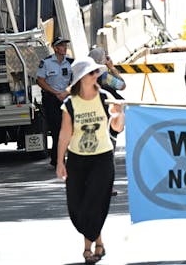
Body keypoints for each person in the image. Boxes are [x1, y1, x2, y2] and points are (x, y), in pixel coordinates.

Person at [56, 56, 125, 264]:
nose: (97, 75)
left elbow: (116, 127)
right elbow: (65, 134)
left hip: (102, 158)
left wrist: (120, 114)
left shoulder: (105, 97)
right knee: (78, 206)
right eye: (93, 73)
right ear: (81, 78)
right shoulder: (70, 104)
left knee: (94, 203)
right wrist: (60, 161)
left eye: (97, 72)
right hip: (77, 159)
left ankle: (90, 247)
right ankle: (99, 241)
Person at [37, 36, 74, 167]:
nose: (65, 48)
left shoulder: (70, 62)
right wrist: (56, 93)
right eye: (62, 45)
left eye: (65, 45)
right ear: (55, 48)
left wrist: (66, 93)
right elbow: (40, 81)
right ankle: (58, 159)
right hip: (51, 99)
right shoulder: (46, 63)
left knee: (70, 128)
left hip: (67, 98)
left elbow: (75, 80)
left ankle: (65, 157)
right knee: (56, 129)